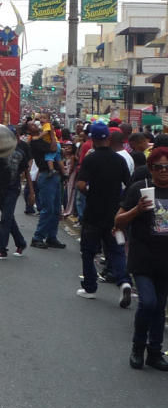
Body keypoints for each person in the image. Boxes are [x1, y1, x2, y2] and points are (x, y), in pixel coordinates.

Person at [115, 147, 168, 370]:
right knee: (148, 302)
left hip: (166, 259)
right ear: (150, 169)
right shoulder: (140, 189)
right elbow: (118, 221)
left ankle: (155, 352)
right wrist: (137, 210)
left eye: (167, 167)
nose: (164, 171)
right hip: (143, 257)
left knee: (160, 307)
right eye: (159, 167)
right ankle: (138, 347)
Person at [75, 122, 132, 305]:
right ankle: (124, 282)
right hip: (115, 214)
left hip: (93, 213)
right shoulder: (119, 160)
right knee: (116, 251)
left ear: (92, 139)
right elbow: (129, 185)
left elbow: (81, 185)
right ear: (108, 138)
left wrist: (91, 192)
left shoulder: (90, 159)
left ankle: (90, 287)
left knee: (88, 251)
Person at [0, 125, 35, 259]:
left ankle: (1, 250)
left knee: (5, 219)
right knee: (8, 218)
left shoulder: (23, 149)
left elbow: (26, 171)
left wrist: (31, 191)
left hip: (13, 188)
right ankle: (21, 243)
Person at [30, 115, 66, 249]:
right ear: (30, 130)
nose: (37, 124)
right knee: (48, 208)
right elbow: (52, 148)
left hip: (55, 176)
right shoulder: (35, 142)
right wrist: (51, 132)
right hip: (46, 176)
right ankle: (38, 237)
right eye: (33, 124)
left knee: (56, 209)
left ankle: (52, 237)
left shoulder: (43, 138)